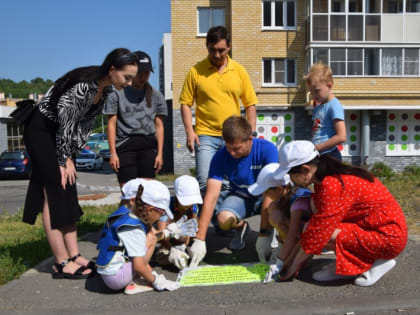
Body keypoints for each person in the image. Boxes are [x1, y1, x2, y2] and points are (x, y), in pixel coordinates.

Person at [22, 48, 138, 279]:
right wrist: (63, 158)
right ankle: (60, 261)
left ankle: (74, 255)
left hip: (59, 136)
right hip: (41, 130)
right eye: (127, 77)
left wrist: (69, 155)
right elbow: (66, 123)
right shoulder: (84, 87)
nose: (129, 83)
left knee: (68, 188)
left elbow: (82, 127)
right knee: (53, 190)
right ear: (112, 69)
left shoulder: (103, 92)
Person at [274, 141, 407, 286]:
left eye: (291, 174)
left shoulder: (331, 184)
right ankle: (355, 264)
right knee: (314, 225)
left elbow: (319, 232)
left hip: (387, 237)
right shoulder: (329, 175)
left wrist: (293, 267)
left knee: (317, 232)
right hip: (379, 229)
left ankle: (370, 264)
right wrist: (287, 262)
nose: (290, 180)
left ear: (305, 170)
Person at [188, 116, 279, 267]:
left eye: (236, 149)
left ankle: (274, 235)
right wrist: (200, 238)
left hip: (266, 196)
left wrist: (264, 234)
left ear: (250, 139)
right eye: (228, 147)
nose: (231, 153)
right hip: (242, 196)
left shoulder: (267, 149)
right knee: (223, 219)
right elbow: (211, 196)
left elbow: (271, 193)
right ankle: (241, 227)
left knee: (279, 213)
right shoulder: (220, 156)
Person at [179, 25, 258, 193]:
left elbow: (250, 104)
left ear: (229, 46)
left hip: (233, 136)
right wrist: (189, 132)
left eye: (221, 50)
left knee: (229, 183)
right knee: (205, 181)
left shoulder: (239, 71)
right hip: (205, 135)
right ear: (207, 46)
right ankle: (209, 218)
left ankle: (225, 217)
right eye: (212, 50)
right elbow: (185, 103)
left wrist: (250, 132)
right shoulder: (196, 71)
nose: (217, 55)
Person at [96, 179, 197, 294]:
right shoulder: (134, 228)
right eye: (162, 213)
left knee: (150, 237)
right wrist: (155, 280)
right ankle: (135, 281)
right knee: (151, 239)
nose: (161, 216)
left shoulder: (126, 213)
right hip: (116, 279)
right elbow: (139, 264)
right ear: (150, 210)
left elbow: (151, 235)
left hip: (108, 271)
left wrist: (169, 232)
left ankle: (138, 275)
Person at [104, 50, 167, 186]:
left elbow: (159, 126)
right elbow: (111, 124)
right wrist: (112, 153)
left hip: (148, 146)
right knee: (128, 193)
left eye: (147, 73)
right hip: (125, 146)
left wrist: (160, 154)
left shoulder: (157, 96)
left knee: (147, 192)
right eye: (140, 72)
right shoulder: (117, 94)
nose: (143, 77)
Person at [247, 163, 312, 283]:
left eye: (266, 191)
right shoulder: (286, 194)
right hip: (298, 235)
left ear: (279, 189)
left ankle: (294, 258)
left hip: (308, 240)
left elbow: (299, 237)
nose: (264, 195)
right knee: (273, 208)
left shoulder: (299, 200)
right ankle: (285, 251)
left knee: (292, 266)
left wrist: (281, 264)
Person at [155, 175, 203, 270]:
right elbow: (160, 234)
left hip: (180, 237)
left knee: (192, 227)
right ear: (177, 197)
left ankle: (183, 249)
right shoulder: (166, 206)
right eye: (186, 202)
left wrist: (188, 245)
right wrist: (172, 250)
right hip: (164, 238)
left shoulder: (193, 208)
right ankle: (169, 251)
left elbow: (192, 229)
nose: (189, 205)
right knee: (161, 259)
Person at [304, 63, 346, 160]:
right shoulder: (319, 107)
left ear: (329, 85)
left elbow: (341, 136)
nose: (313, 95)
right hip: (319, 154)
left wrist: (316, 148)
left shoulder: (334, 106)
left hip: (329, 156)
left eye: (317, 91)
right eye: (311, 92)